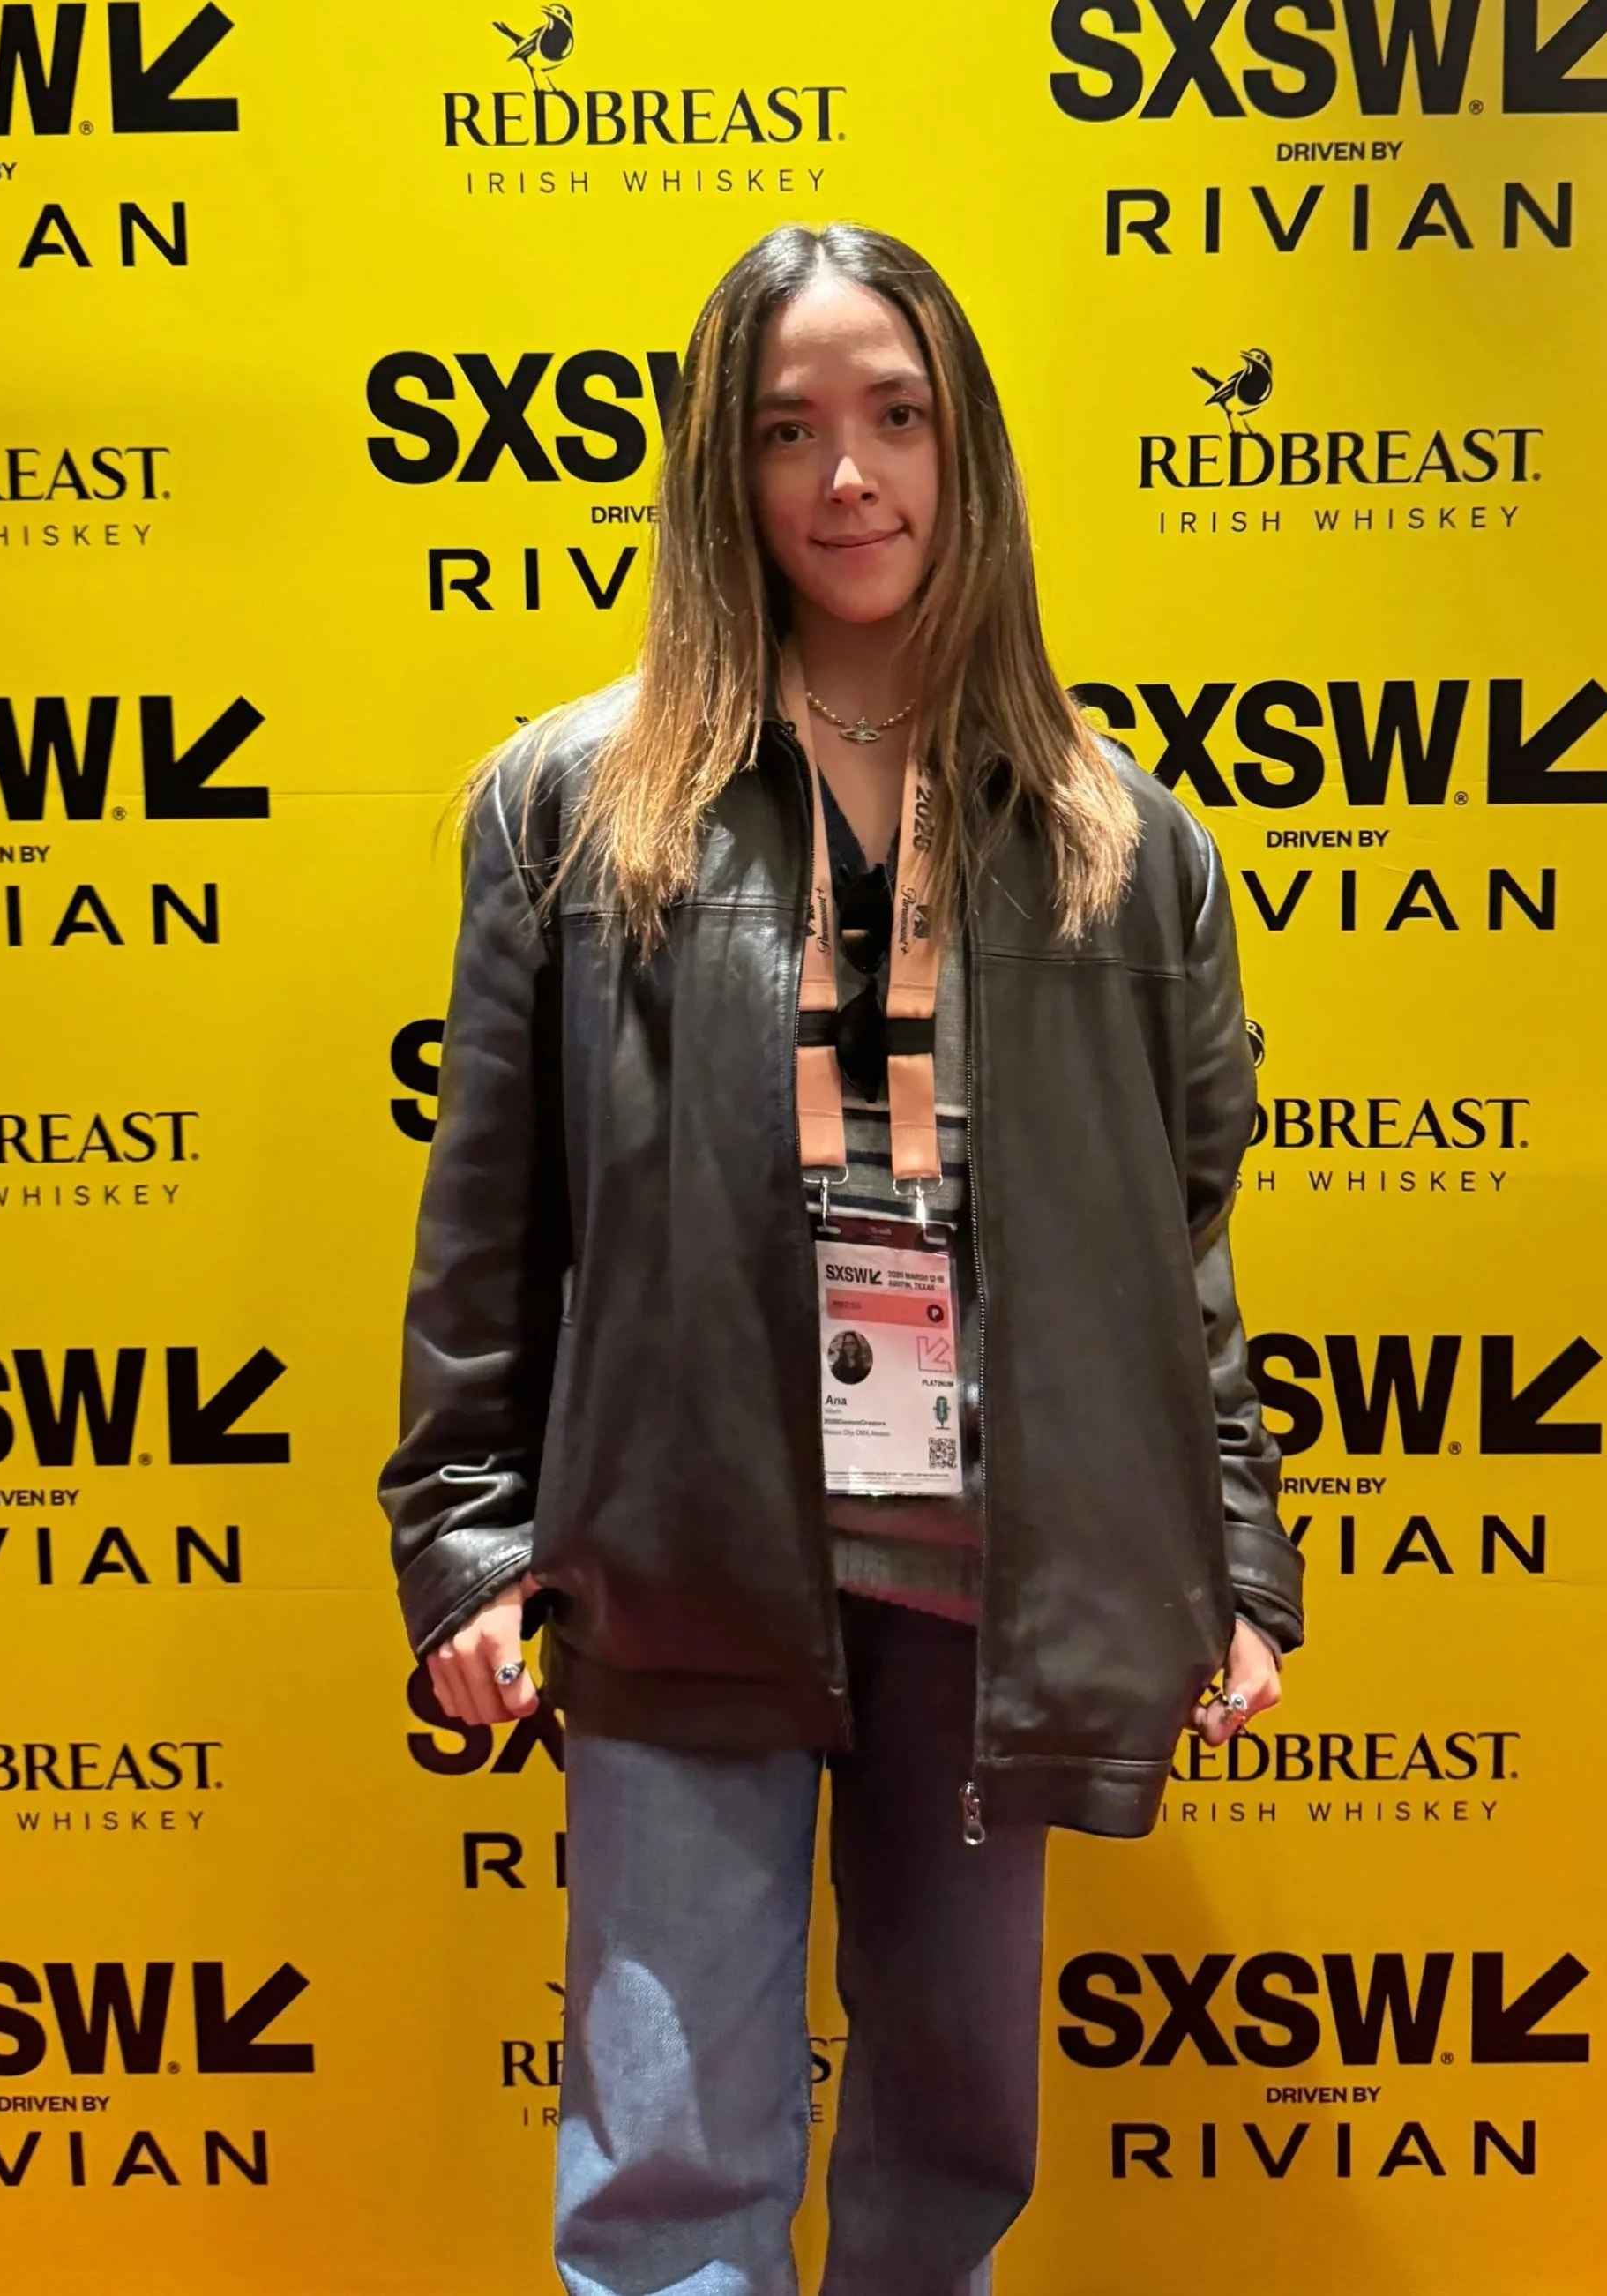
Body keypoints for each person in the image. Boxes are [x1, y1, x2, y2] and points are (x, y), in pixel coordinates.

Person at [379, 221, 1304, 2296]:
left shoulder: (1119, 834)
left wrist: (1231, 1555)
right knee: (667, 2167)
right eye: (788, 429)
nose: (848, 476)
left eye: (895, 416)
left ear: (966, 447)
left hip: (993, 1581)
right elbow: (488, 1214)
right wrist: (465, 1535)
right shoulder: (574, 802)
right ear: (725, 466)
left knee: (951, 2145)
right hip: (684, 1553)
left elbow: (1176, 1255)